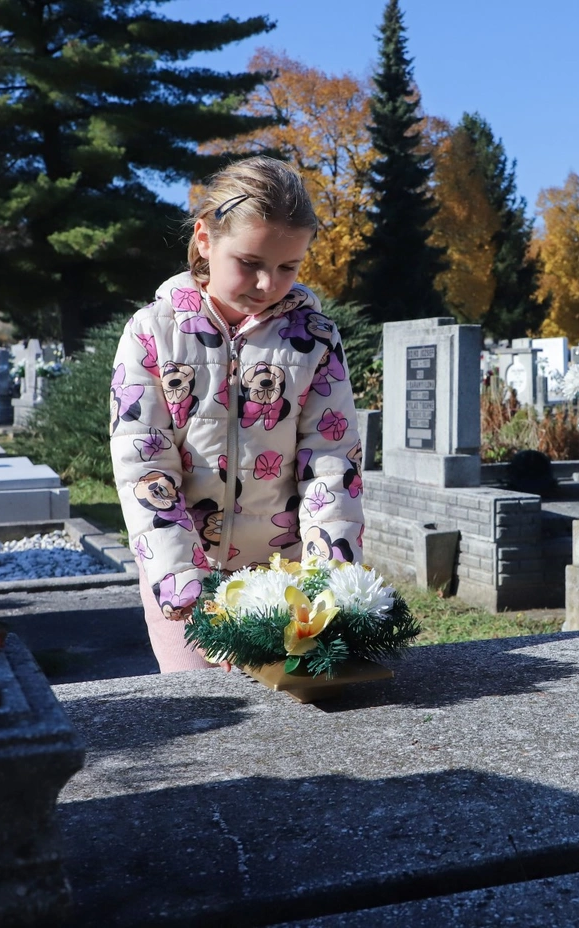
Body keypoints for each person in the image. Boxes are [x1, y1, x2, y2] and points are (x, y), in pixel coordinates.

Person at [110, 156, 364, 672]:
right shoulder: (152, 332)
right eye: (250, 262)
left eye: (289, 267)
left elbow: (332, 462)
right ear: (205, 239)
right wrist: (184, 581)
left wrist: (326, 577)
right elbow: (145, 463)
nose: (270, 284)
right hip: (182, 572)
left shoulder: (313, 339)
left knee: (289, 724)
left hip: (284, 576)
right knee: (208, 720)